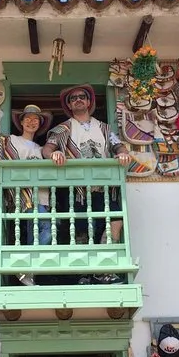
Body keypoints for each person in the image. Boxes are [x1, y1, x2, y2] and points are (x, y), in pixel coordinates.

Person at [42, 84, 131, 285]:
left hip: (104, 188)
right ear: (69, 106)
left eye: (82, 96)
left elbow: (119, 146)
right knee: (81, 230)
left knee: (114, 222)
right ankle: (82, 275)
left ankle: (103, 270)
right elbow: (47, 149)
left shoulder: (104, 128)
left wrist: (122, 154)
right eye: (73, 98)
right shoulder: (63, 128)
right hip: (78, 189)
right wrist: (54, 154)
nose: (78, 100)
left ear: (89, 101)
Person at [0, 104, 53, 286]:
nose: (31, 122)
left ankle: (28, 274)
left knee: (36, 235)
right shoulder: (11, 141)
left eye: (36, 119)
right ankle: (24, 266)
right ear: (21, 122)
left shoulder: (41, 149)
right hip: (24, 195)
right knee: (48, 229)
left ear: (40, 124)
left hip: (42, 196)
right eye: (28, 118)